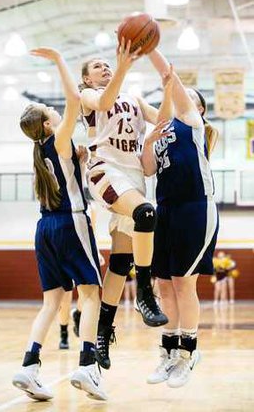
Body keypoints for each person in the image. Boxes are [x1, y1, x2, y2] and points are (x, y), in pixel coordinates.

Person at [12, 47, 107, 401]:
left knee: (51, 302)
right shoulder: (60, 137)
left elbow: (68, 173)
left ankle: (29, 365)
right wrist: (58, 60)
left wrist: (80, 162)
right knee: (91, 295)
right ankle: (86, 365)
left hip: (44, 229)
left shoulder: (41, 150)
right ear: (50, 124)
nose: (58, 111)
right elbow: (73, 96)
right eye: (52, 112)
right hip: (72, 223)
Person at [80, 38, 168, 369]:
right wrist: (123, 65)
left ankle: (102, 331)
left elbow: (162, 119)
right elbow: (104, 102)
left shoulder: (133, 97)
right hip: (106, 170)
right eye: (97, 66)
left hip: (134, 176)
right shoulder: (88, 96)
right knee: (147, 214)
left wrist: (170, 86)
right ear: (87, 78)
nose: (104, 67)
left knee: (120, 261)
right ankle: (145, 294)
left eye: (107, 64)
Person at [142, 50, 219, 388]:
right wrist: (147, 140)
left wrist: (148, 49)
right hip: (166, 210)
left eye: (188, 96)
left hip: (195, 208)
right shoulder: (162, 128)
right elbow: (147, 169)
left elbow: (170, 80)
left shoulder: (191, 122)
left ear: (197, 107)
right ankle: (169, 352)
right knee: (163, 285)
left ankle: (188, 353)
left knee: (184, 282)